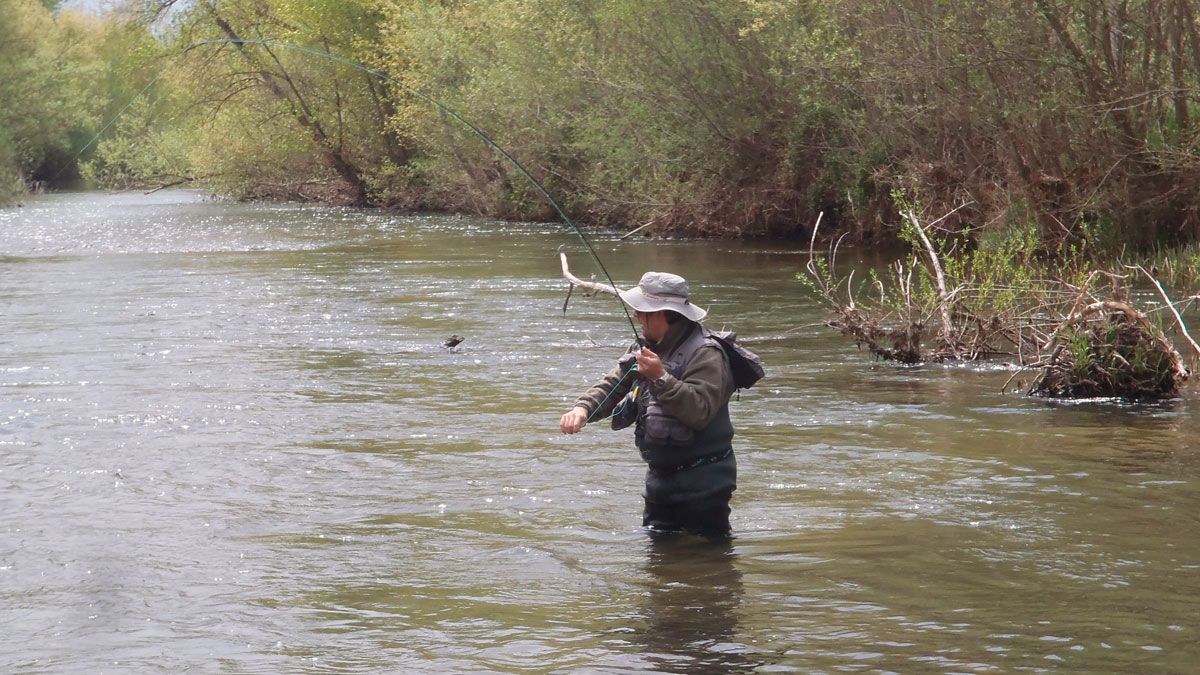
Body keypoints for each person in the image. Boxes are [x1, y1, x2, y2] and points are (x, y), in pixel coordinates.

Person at [560, 271, 740, 538]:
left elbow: (699, 411)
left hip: (706, 482)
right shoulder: (646, 346)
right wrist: (582, 408)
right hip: (660, 482)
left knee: (709, 563)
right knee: (658, 566)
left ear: (662, 313)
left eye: (641, 312)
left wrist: (660, 377)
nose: (636, 316)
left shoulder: (706, 353)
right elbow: (614, 383)